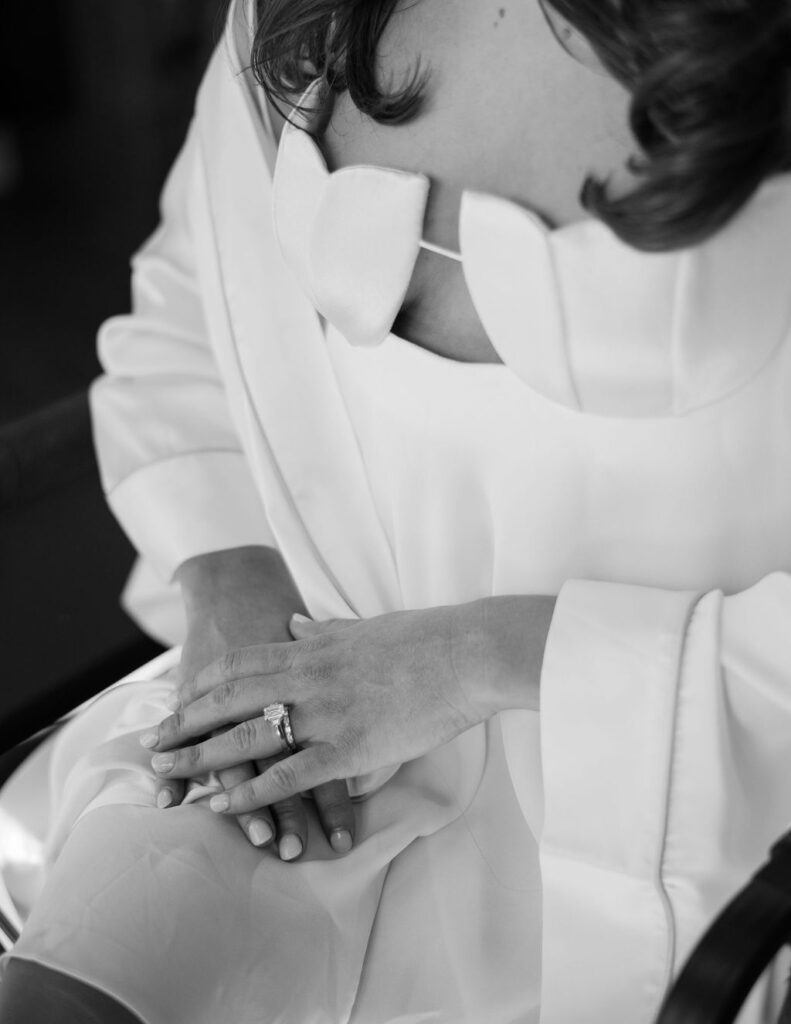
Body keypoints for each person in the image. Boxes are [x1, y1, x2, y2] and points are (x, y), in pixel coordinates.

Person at [2, 0, 791, 1021]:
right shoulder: (294, 14)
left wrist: (471, 658)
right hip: (314, 729)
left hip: (698, 804)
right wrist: (234, 583)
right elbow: (192, 300)